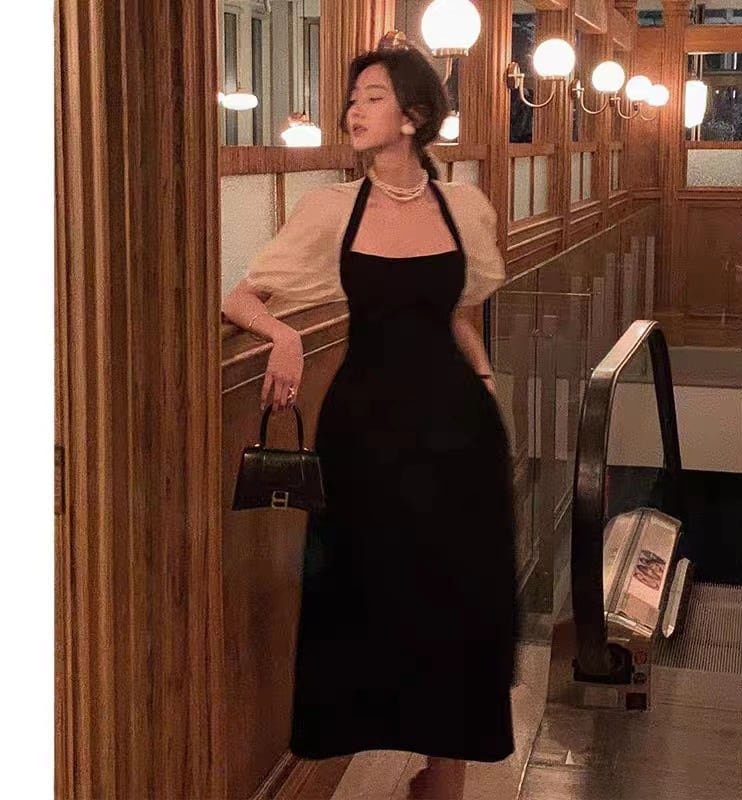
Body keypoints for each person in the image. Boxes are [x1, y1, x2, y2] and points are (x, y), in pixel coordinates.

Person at [222, 37, 519, 800]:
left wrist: (487, 382)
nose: (354, 110)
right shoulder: (331, 210)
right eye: (352, 99)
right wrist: (283, 336)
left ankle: (444, 776)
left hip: (458, 433)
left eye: (373, 98)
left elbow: (460, 315)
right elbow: (241, 297)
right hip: (365, 437)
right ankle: (368, 746)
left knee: (457, 597)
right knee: (366, 596)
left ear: (413, 116)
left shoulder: (463, 206)